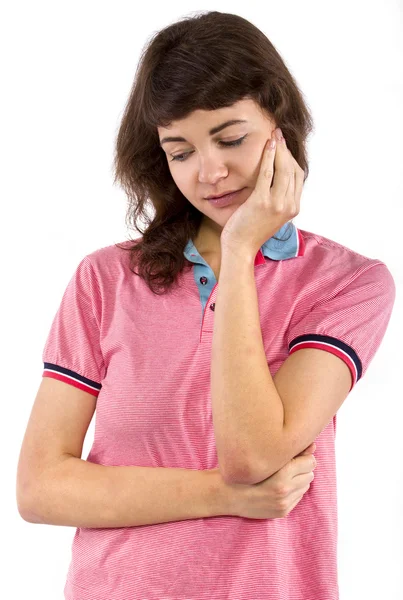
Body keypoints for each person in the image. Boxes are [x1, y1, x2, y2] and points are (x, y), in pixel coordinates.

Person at [17, 10, 396, 600]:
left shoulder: (347, 284)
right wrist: (222, 495)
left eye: (231, 137)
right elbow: (39, 489)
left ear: (283, 127)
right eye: (180, 150)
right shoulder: (106, 279)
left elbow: (253, 454)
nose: (210, 173)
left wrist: (241, 249)